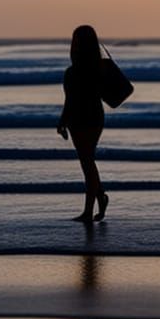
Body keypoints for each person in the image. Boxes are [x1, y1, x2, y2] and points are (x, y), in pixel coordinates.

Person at [57, 25, 109, 223]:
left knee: (87, 162)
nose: (74, 43)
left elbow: (70, 101)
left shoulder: (73, 72)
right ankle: (101, 197)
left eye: (77, 40)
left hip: (82, 120)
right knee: (88, 162)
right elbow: (70, 100)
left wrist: (62, 122)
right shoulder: (99, 69)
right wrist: (63, 122)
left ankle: (89, 211)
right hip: (91, 118)